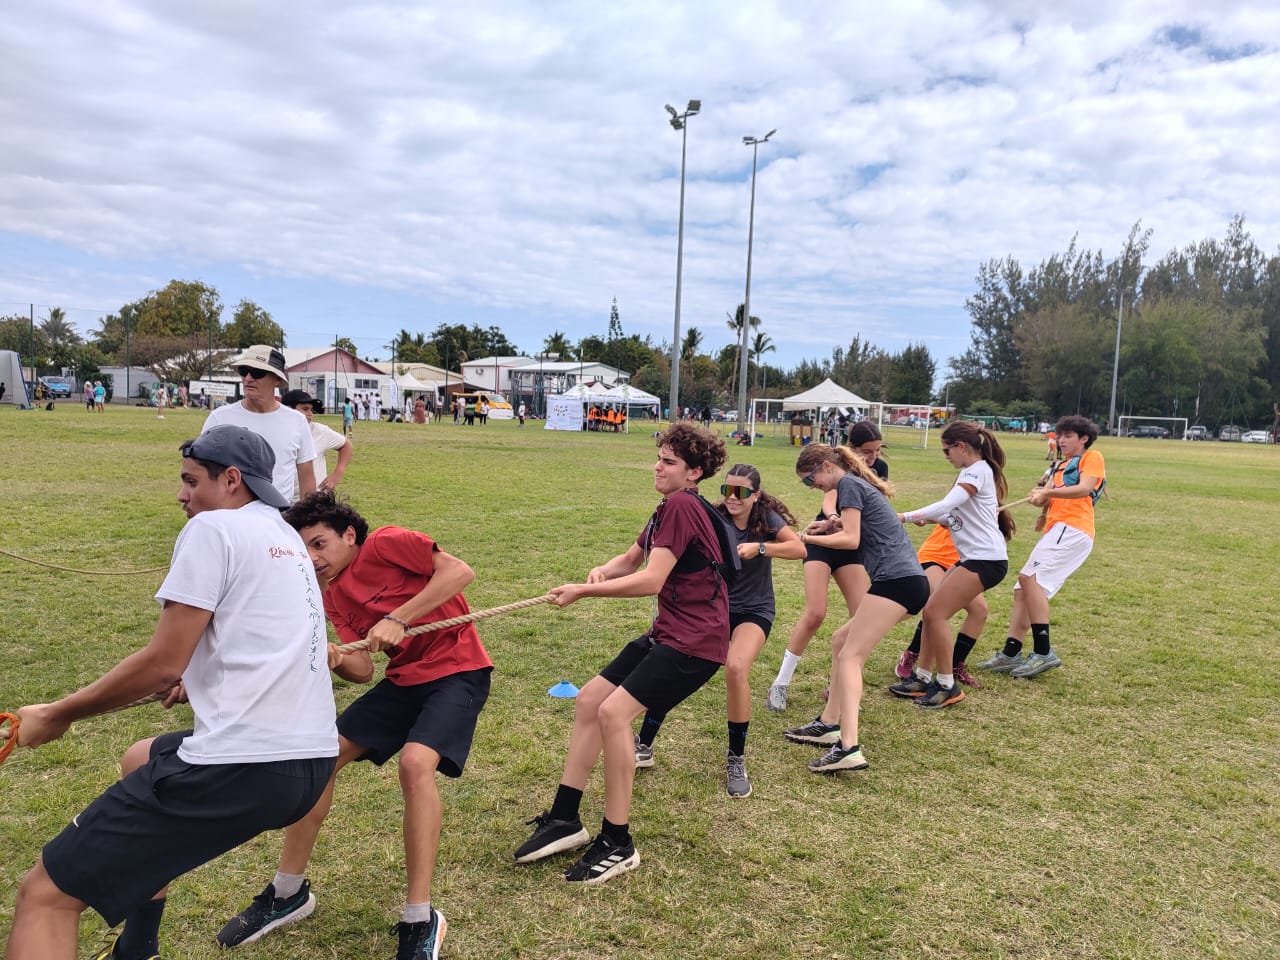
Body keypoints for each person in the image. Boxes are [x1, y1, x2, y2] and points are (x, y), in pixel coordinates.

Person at [2, 426, 338, 960]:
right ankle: (138, 948)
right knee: (141, 758)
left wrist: (59, 713)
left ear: (231, 480)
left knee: (45, 896)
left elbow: (160, 665)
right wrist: (203, 673)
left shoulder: (214, 529)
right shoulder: (283, 537)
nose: (181, 495)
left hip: (243, 767)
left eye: (189, 481)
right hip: (310, 764)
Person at [216, 490, 489, 960]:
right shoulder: (330, 594)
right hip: (404, 681)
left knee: (415, 764)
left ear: (348, 535)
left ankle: (420, 917)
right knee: (321, 755)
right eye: (303, 549)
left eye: (319, 544)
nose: (312, 557)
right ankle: (287, 892)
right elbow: (363, 671)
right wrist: (335, 657)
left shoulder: (385, 543)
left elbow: (459, 572)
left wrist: (398, 617)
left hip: (458, 669)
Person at [513, 423, 728, 884]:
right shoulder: (666, 508)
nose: (658, 465)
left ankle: (617, 841)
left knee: (613, 714)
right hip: (668, 633)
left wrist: (584, 594)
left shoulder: (683, 506)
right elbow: (632, 559)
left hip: (696, 644)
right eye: (659, 457)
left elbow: (651, 580)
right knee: (590, 700)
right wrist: (601, 571)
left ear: (694, 473)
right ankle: (565, 818)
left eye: (670, 461)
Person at [633, 463, 804, 797]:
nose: (732, 498)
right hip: (714, 608)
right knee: (669, 664)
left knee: (737, 668)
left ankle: (736, 758)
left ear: (755, 495)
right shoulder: (714, 516)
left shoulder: (765, 519)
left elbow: (799, 548)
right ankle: (645, 743)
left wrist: (762, 547)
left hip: (754, 611)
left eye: (741, 492)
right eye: (727, 490)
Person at [781, 444, 929, 773]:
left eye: (810, 480)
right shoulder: (856, 485)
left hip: (897, 581)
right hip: (906, 582)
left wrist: (806, 538)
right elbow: (860, 531)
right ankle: (828, 723)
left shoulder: (848, 485)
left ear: (825, 466)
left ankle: (848, 746)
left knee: (851, 655)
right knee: (840, 641)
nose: (813, 487)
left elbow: (851, 540)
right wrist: (828, 527)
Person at [889, 421, 1013, 708]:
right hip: (974, 558)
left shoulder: (976, 471)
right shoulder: (972, 473)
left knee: (935, 613)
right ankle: (921, 678)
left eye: (947, 451)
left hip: (987, 561)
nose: (947, 457)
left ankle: (946, 684)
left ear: (961, 446)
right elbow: (954, 516)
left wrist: (905, 516)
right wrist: (933, 519)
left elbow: (948, 504)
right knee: (933, 611)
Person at [765, 421, 887, 711]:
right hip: (823, 543)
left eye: (877, 451)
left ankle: (841, 685)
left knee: (864, 616)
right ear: (851, 449)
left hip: (848, 546)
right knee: (815, 613)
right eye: (866, 451)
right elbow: (831, 499)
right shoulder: (837, 474)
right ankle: (780, 684)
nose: (872, 457)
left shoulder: (876, 469)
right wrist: (833, 519)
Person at [978, 415, 1105, 679]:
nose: (1061, 440)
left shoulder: (1091, 457)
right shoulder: (1059, 464)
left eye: (1068, 436)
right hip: (1057, 529)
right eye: (1060, 435)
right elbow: (1044, 498)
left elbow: (1084, 489)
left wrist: (1048, 493)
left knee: (1030, 580)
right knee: (1022, 590)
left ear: (1083, 439)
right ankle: (1011, 653)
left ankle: (1044, 652)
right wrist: (1039, 499)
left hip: (1074, 529)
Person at [202, 345, 316, 504]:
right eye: (243, 371)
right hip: (230, 517)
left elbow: (307, 479)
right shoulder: (219, 418)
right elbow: (202, 471)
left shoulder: (297, 421)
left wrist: (306, 523)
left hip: (278, 519)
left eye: (257, 372)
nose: (248, 378)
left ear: (276, 379)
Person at [892, 523, 989, 688]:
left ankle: (955, 664)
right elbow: (943, 512)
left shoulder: (989, 508)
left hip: (961, 565)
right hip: (934, 558)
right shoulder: (962, 498)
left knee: (980, 610)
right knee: (939, 605)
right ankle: (912, 652)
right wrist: (913, 517)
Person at [282, 389, 354, 491]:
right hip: (283, 501)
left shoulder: (320, 431)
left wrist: (337, 475)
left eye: (311, 410)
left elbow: (346, 445)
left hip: (314, 499)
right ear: (287, 410)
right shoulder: (275, 433)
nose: (310, 414)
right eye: (305, 409)